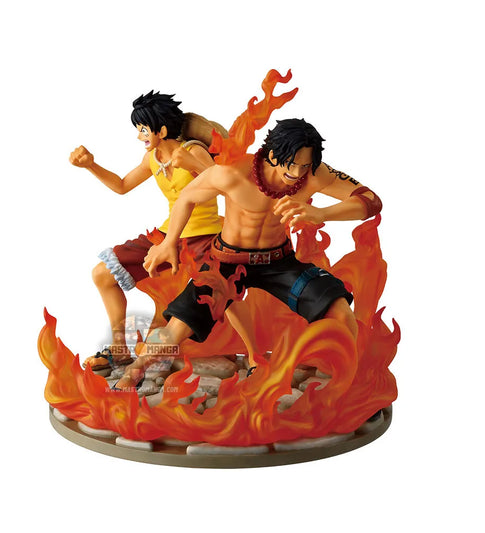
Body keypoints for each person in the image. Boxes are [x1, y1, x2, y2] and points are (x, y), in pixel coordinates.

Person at [114, 118, 382, 389]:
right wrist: (169, 242)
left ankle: (350, 383)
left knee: (339, 310)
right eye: (291, 164)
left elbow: (370, 200)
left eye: (304, 165)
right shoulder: (232, 173)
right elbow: (187, 197)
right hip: (228, 261)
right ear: (272, 153)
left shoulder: (314, 173)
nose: (297, 173)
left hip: (279, 262)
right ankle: (133, 372)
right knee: (179, 326)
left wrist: (323, 213)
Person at [69, 91, 227, 369]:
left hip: (204, 236)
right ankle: (119, 348)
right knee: (103, 274)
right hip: (167, 236)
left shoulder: (193, 151)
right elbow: (122, 185)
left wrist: (194, 164)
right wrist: (91, 165)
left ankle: (248, 352)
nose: (139, 136)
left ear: (161, 130)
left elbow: (225, 184)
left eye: (143, 129)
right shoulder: (152, 158)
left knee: (220, 292)